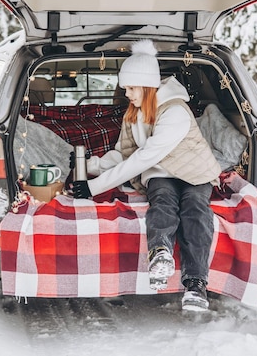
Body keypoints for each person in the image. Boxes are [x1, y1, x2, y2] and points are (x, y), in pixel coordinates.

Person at [71, 40, 221, 312]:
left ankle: (196, 284)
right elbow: (124, 154)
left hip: (195, 173)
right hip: (161, 174)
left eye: (130, 88)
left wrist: (94, 187)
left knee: (195, 210)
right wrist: (90, 167)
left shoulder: (175, 112)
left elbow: (143, 158)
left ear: (146, 85)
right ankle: (160, 254)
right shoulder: (134, 115)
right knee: (162, 201)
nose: (126, 94)